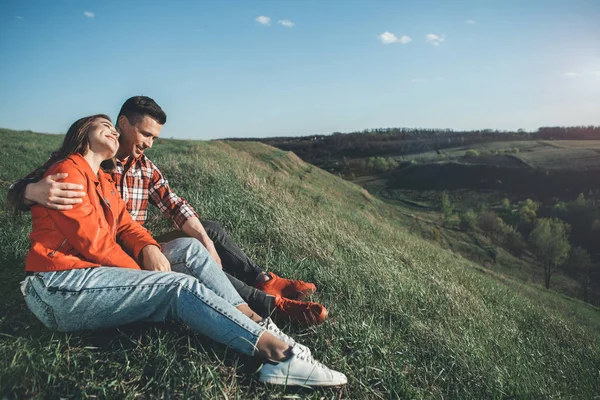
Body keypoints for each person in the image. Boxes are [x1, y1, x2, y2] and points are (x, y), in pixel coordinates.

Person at [19, 114, 347, 387]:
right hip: (58, 287)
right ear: (82, 132)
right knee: (177, 286)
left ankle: (258, 322)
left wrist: (148, 247)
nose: (113, 132)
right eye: (102, 125)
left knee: (189, 247)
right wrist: (148, 274)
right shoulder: (66, 173)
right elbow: (94, 243)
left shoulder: (104, 180)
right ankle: (278, 356)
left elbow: (126, 226)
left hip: (97, 271)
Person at [8, 96, 326, 326]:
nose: (149, 143)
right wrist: (29, 191)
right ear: (122, 125)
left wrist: (205, 241)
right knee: (190, 256)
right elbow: (17, 192)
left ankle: (264, 279)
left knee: (207, 230)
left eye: (155, 138)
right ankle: (271, 305)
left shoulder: (144, 167)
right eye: (145, 134)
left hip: (136, 242)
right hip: (101, 253)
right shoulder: (78, 161)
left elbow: (173, 204)